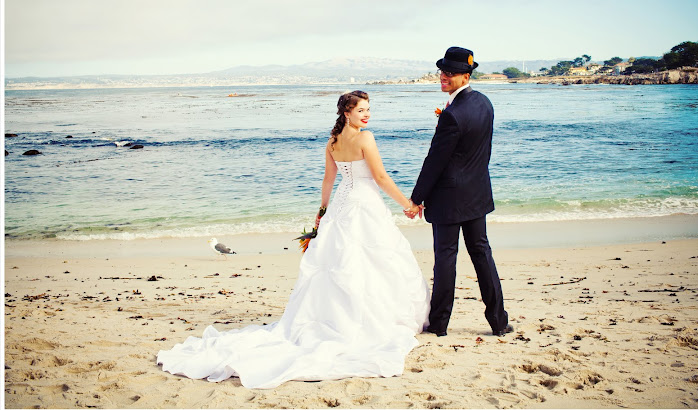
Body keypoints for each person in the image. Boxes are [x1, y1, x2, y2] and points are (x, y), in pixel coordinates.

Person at [157, 90, 430, 389]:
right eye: (361, 110)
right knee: (372, 260)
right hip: (364, 204)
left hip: (342, 204)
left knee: (344, 263)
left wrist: (323, 212)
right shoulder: (366, 138)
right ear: (347, 113)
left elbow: (329, 181)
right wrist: (407, 204)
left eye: (368, 109)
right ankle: (372, 320)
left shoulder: (333, 142)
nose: (366, 114)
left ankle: (337, 317)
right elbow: (380, 178)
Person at [405, 46, 511, 338]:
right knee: (482, 255)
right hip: (476, 194)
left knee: (446, 259)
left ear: (466, 75)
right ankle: (499, 322)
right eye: (442, 71)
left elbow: (435, 162)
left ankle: (439, 324)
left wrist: (416, 199)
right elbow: (481, 152)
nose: (444, 76)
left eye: (450, 73)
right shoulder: (484, 103)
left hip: (449, 199)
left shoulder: (451, 115)